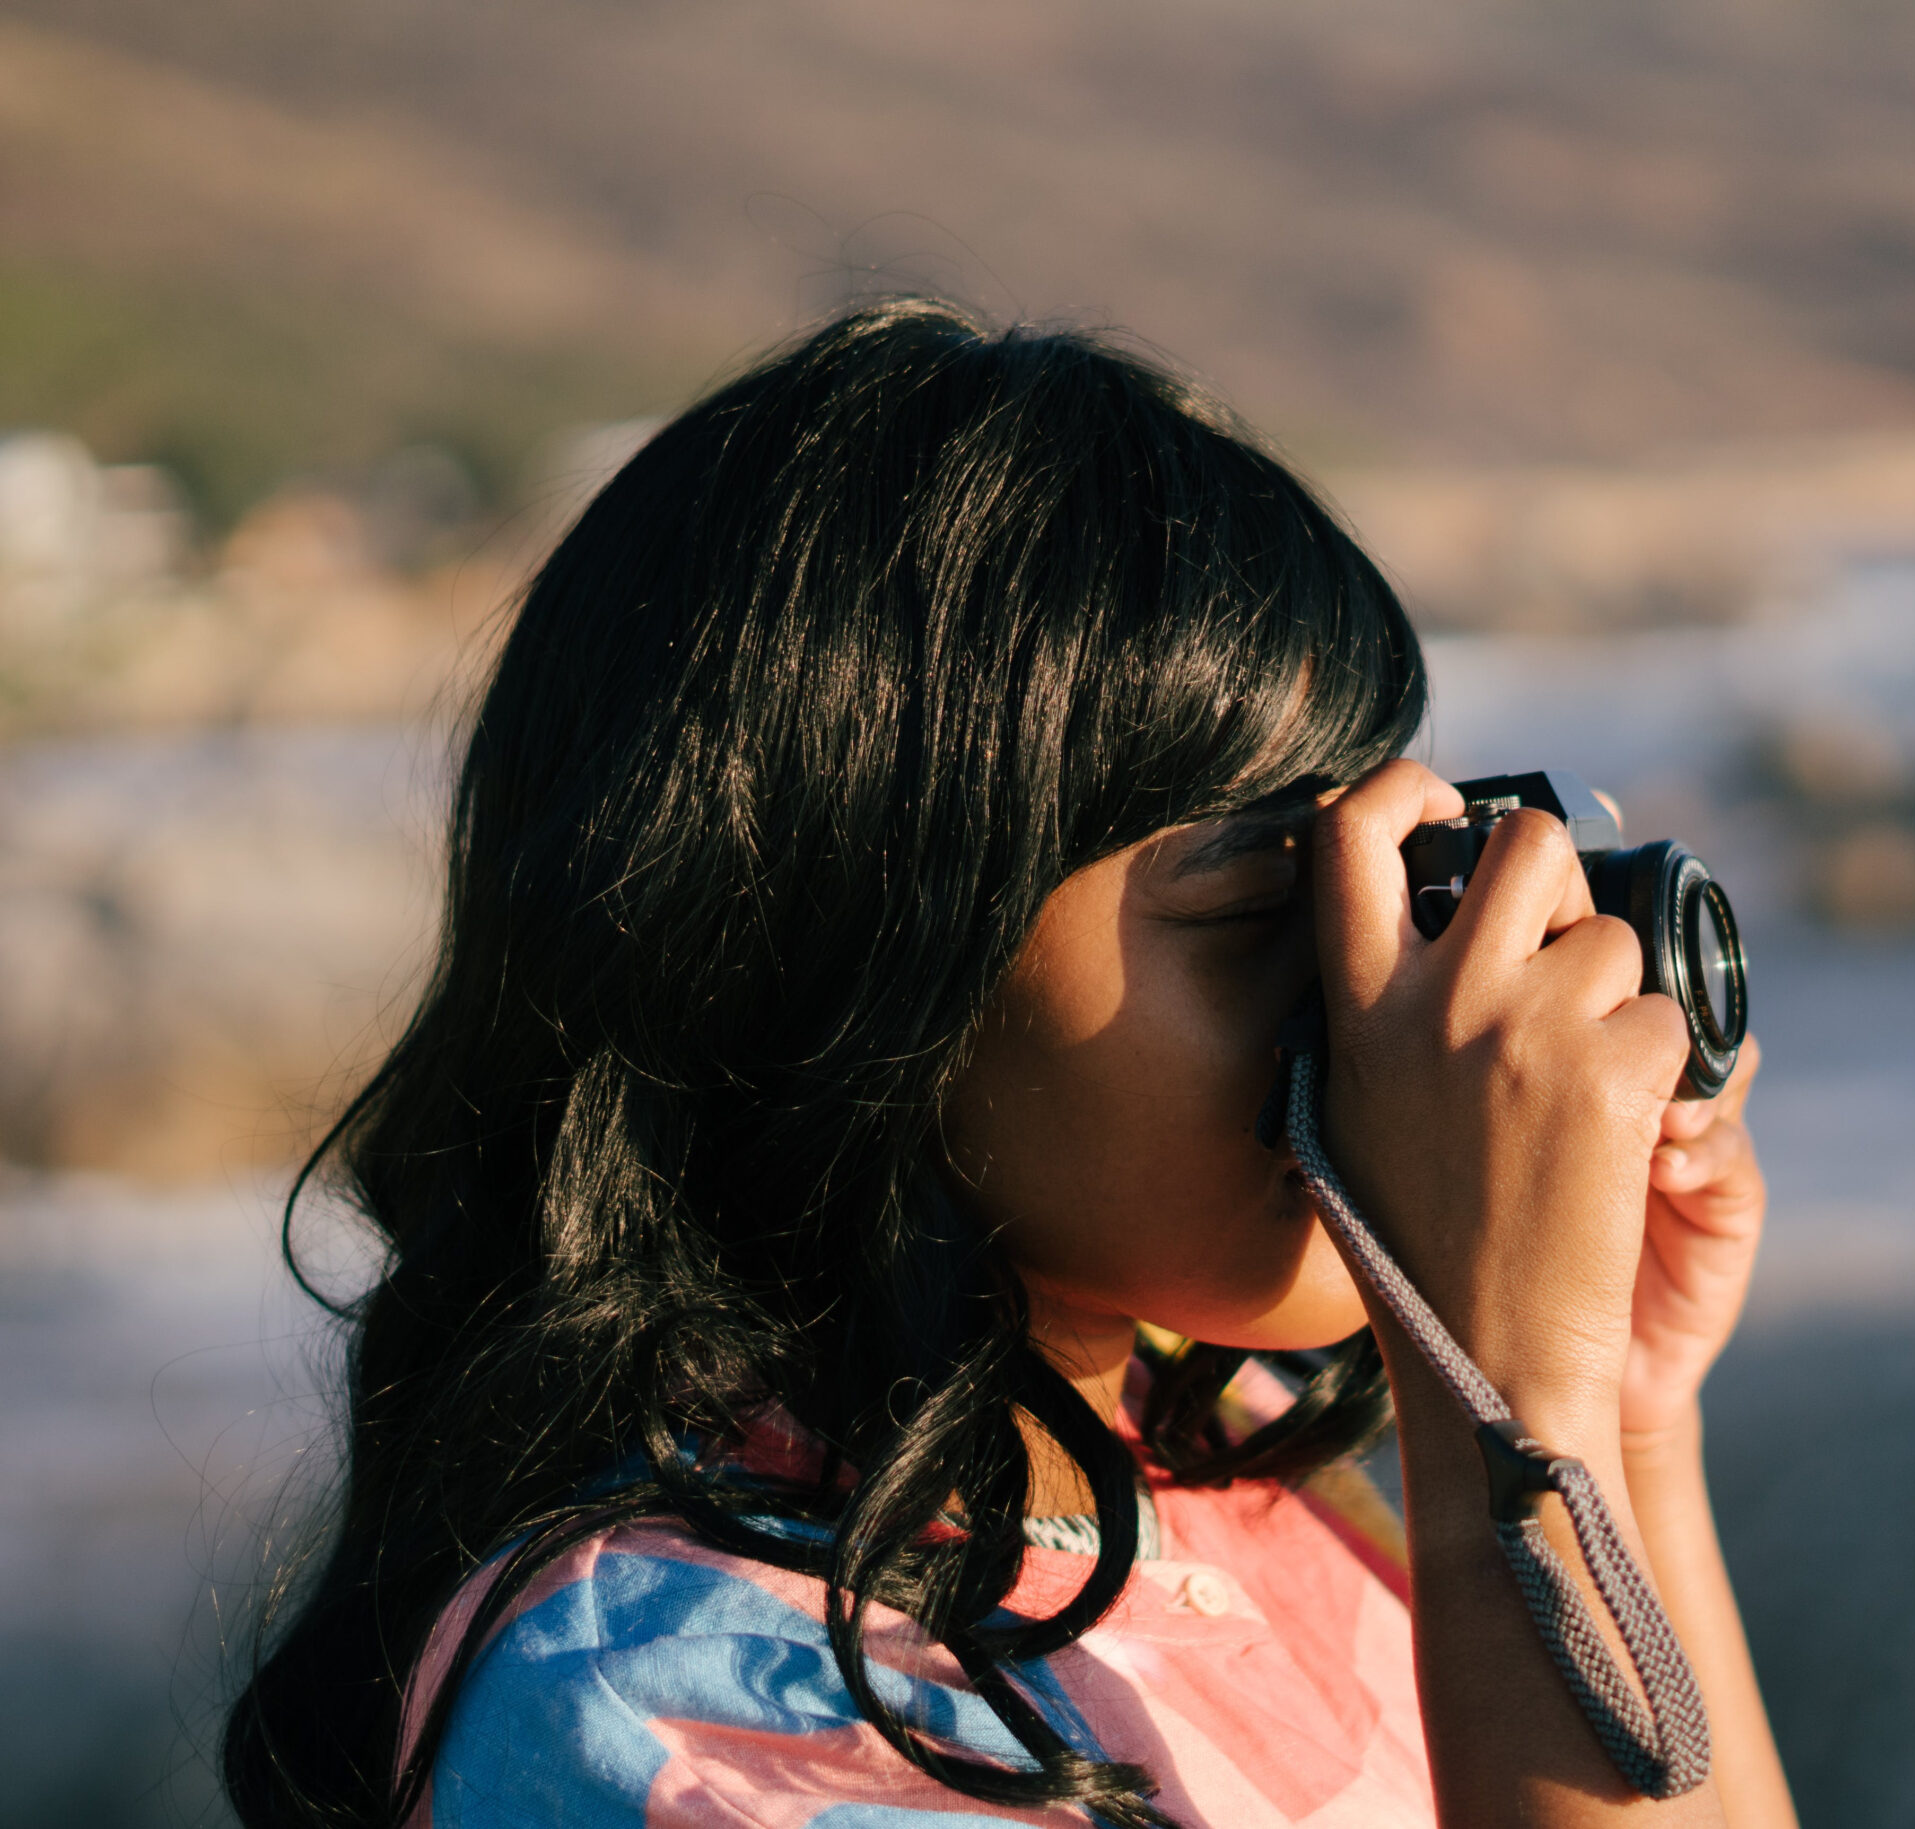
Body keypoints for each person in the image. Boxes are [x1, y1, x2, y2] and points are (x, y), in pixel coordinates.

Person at [223, 298, 1793, 1829]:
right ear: (857, 969)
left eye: (1380, 878)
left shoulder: (1215, 1454)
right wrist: (1510, 1418)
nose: (1366, 977)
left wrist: (1626, 1430)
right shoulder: (679, 1707)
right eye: (1263, 906)